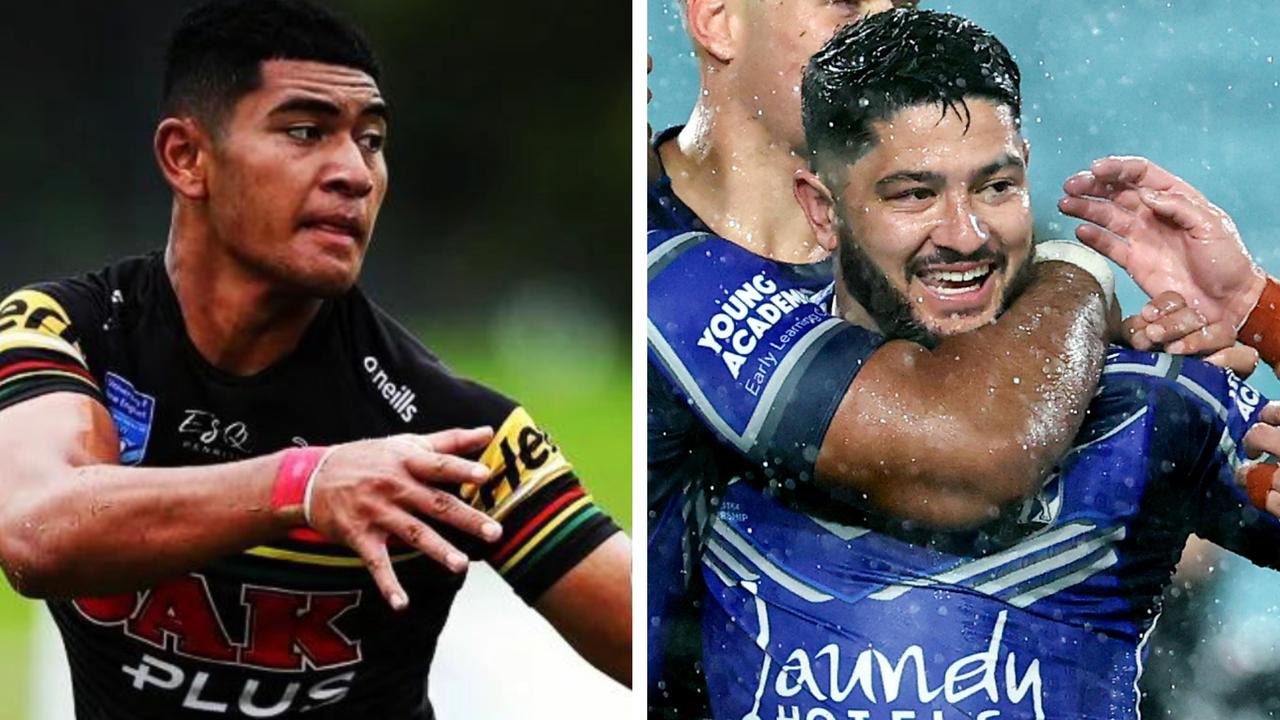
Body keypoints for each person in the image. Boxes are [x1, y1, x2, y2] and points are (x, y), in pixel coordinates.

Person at [0, 1, 630, 717]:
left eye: (371, 140)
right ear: (187, 157)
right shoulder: (67, 330)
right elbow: (36, 530)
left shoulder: (452, 434)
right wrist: (305, 485)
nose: (355, 173)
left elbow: (667, 636)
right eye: (305, 132)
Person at [644, 0, 1236, 711]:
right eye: (844, 1)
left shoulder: (970, 261)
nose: (879, 21)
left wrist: (1241, 337)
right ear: (716, 18)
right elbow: (976, 448)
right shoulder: (659, 267)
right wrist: (1083, 274)